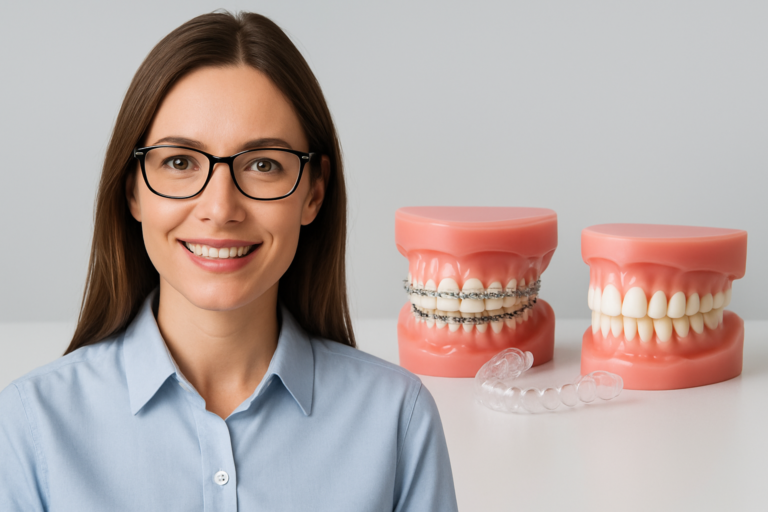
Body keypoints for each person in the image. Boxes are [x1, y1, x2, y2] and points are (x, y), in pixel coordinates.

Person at [0, 11, 458, 511]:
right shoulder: (31, 426)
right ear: (133, 189)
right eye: (179, 162)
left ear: (313, 193)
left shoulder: (397, 419)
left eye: (263, 165)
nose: (219, 209)